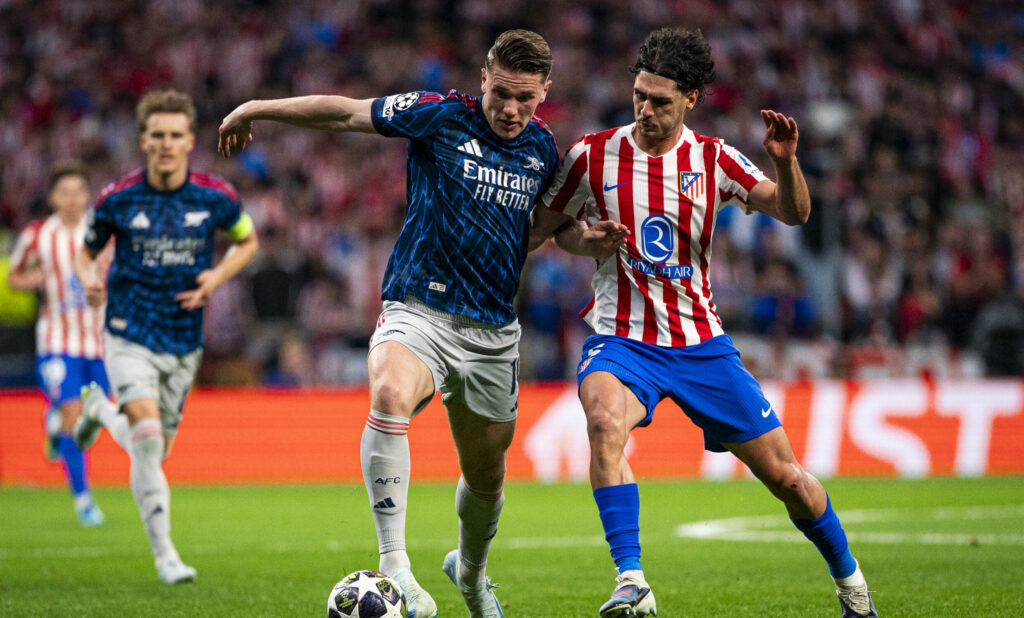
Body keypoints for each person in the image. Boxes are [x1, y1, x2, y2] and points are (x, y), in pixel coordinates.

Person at [218, 29, 606, 618]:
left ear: (545, 91)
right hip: (419, 308)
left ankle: (471, 576)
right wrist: (257, 108)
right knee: (389, 391)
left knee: (486, 475)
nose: (511, 109)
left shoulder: (543, 150)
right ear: (483, 78)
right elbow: (345, 114)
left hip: (493, 332)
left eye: (526, 99)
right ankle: (395, 563)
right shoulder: (438, 116)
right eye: (501, 93)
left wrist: (586, 239)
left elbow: (542, 231)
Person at [531, 28, 878, 618]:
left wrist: (786, 163)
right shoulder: (592, 154)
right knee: (602, 421)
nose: (645, 108)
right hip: (621, 339)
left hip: (702, 345)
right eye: (639, 94)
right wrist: (585, 240)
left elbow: (793, 213)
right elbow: (545, 228)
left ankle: (853, 588)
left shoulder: (714, 160)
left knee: (788, 479)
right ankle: (632, 580)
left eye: (660, 100)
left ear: (692, 98)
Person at [73, 89, 259, 584]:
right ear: (143, 140)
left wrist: (216, 279)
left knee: (153, 448)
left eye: (176, 135)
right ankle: (165, 557)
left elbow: (248, 240)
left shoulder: (215, 196)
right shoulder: (117, 198)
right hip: (128, 331)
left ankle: (97, 410)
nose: (166, 144)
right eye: (157, 135)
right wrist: (89, 278)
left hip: (183, 339)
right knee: (149, 440)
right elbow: (86, 250)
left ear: (189, 140)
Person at [8, 162, 108, 527]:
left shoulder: (102, 231)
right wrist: (33, 277)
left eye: (78, 191)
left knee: (93, 419)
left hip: (97, 343)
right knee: (72, 413)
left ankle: (54, 427)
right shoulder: (37, 236)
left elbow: (116, 270)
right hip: (57, 340)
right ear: (52, 197)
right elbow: (13, 275)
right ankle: (83, 499)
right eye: (63, 192)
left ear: (86, 195)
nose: (71, 199)